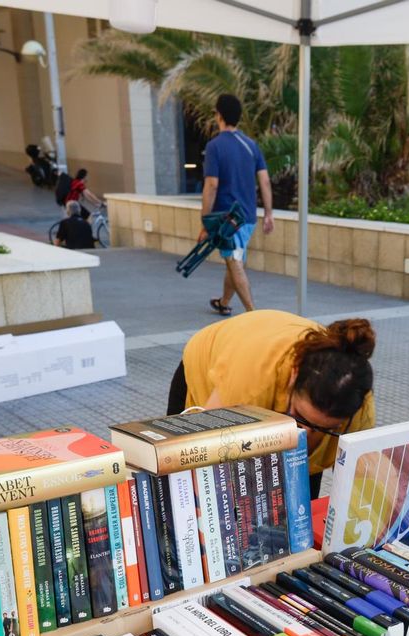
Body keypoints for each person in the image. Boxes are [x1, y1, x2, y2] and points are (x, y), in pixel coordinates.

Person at [169, 311, 376, 493]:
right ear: (293, 376)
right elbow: (204, 461)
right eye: (300, 417)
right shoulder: (249, 386)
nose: (309, 435)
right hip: (213, 359)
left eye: (327, 429)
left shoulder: (359, 405)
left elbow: (362, 484)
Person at [200, 93, 274, 316]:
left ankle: (253, 313)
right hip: (248, 217)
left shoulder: (215, 147)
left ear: (219, 115)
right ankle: (223, 302)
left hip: (227, 218)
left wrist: (205, 222)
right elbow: (265, 180)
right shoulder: (251, 145)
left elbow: (211, 185)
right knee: (235, 258)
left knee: (234, 260)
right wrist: (269, 213)